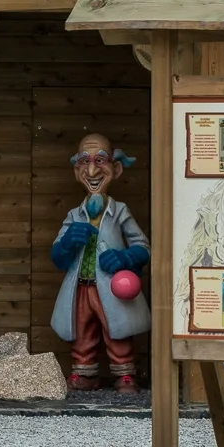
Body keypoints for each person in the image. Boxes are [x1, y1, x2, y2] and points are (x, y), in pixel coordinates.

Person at [48, 133, 150, 391]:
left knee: (117, 329)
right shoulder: (74, 215)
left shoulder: (120, 212)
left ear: (115, 169)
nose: (92, 170)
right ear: (76, 170)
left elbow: (143, 247)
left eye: (100, 160)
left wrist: (125, 257)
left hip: (113, 286)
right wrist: (69, 241)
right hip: (80, 286)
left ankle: (125, 373)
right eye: (84, 161)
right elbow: (57, 257)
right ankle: (84, 373)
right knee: (82, 332)